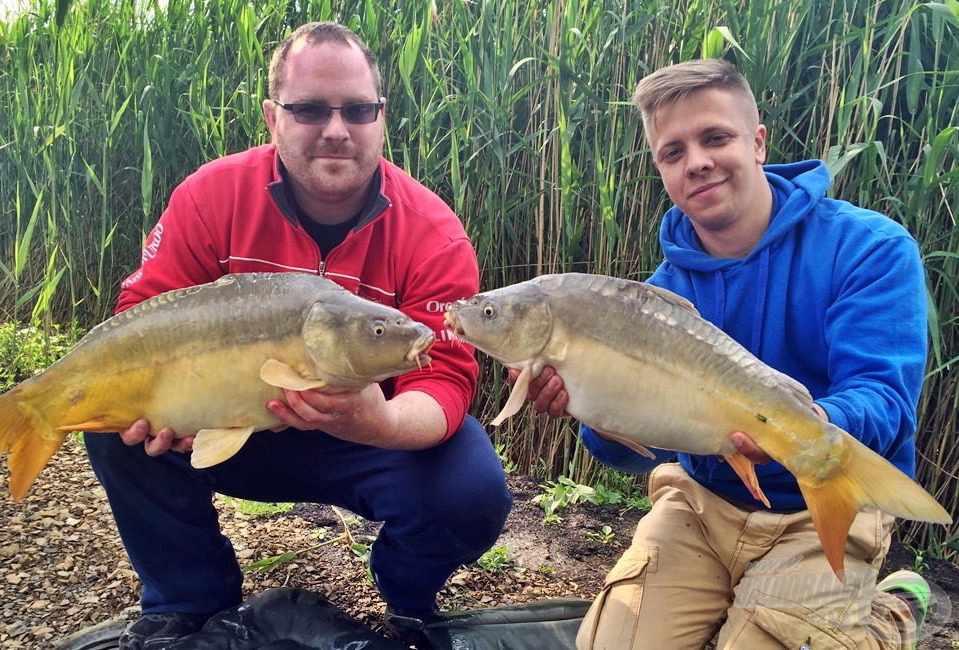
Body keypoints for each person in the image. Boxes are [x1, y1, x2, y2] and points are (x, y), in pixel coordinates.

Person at [84, 21, 511, 649]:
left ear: (381, 118)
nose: (337, 129)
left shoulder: (433, 231)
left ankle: (407, 594)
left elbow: (443, 376)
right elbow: (143, 314)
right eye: (310, 109)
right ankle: (186, 598)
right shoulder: (212, 195)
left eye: (358, 110)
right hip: (227, 420)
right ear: (272, 118)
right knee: (110, 419)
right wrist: (155, 404)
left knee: (470, 485)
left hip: (364, 430)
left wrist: (379, 425)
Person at [520, 59, 932, 649]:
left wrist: (808, 431)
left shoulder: (869, 248)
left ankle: (891, 614)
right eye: (672, 152)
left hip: (818, 500)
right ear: (661, 170)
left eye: (715, 137)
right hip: (703, 502)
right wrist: (587, 406)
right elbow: (640, 446)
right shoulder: (655, 298)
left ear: (758, 142)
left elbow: (884, 398)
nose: (697, 162)